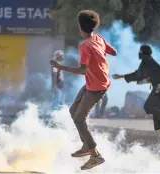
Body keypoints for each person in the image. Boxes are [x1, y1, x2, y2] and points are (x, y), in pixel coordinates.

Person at [50, 10, 117, 170]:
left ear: (81, 27)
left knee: (79, 119)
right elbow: (113, 51)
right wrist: (103, 56)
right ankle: (87, 145)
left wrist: (61, 67)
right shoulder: (99, 38)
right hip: (92, 84)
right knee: (74, 112)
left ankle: (95, 155)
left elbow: (83, 70)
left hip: (96, 88)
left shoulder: (85, 45)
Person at [112, 45, 160, 132]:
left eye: (140, 51)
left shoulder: (148, 61)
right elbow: (138, 74)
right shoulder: (147, 61)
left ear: (143, 52)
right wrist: (121, 76)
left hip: (159, 88)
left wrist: (158, 86)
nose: (139, 53)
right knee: (157, 108)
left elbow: (158, 72)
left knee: (148, 106)